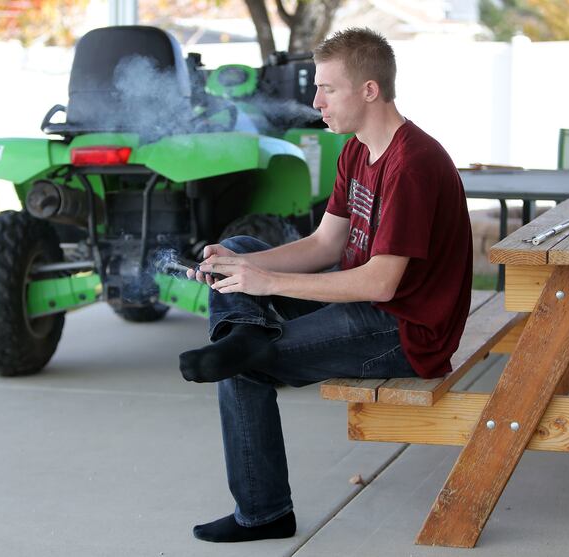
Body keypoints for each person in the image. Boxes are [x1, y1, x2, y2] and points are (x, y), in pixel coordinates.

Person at [177, 27, 473, 544]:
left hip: (405, 330)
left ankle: (264, 513)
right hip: (363, 299)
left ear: (369, 90)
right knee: (242, 247)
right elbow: (323, 245)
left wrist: (266, 281)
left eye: (326, 89)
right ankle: (245, 329)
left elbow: (382, 283)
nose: (315, 101)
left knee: (239, 361)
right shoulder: (358, 151)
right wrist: (243, 268)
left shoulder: (413, 163)